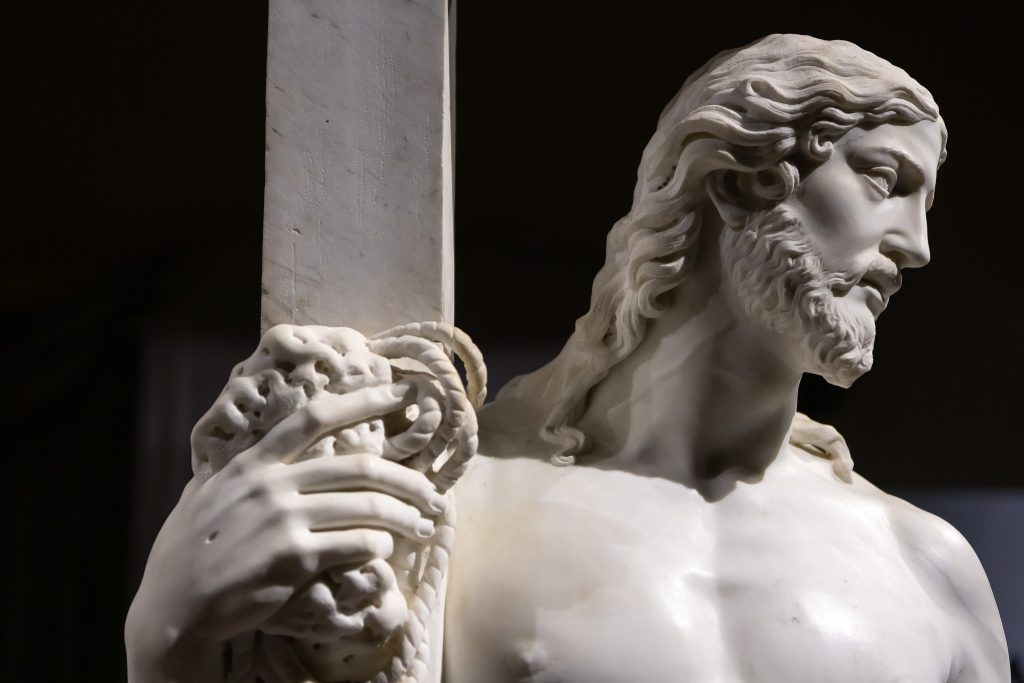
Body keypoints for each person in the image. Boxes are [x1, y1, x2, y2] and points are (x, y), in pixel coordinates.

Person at [127, 34, 1010, 682]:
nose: (918, 246)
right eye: (886, 181)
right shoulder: (449, 512)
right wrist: (169, 643)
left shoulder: (927, 568)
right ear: (743, 178)